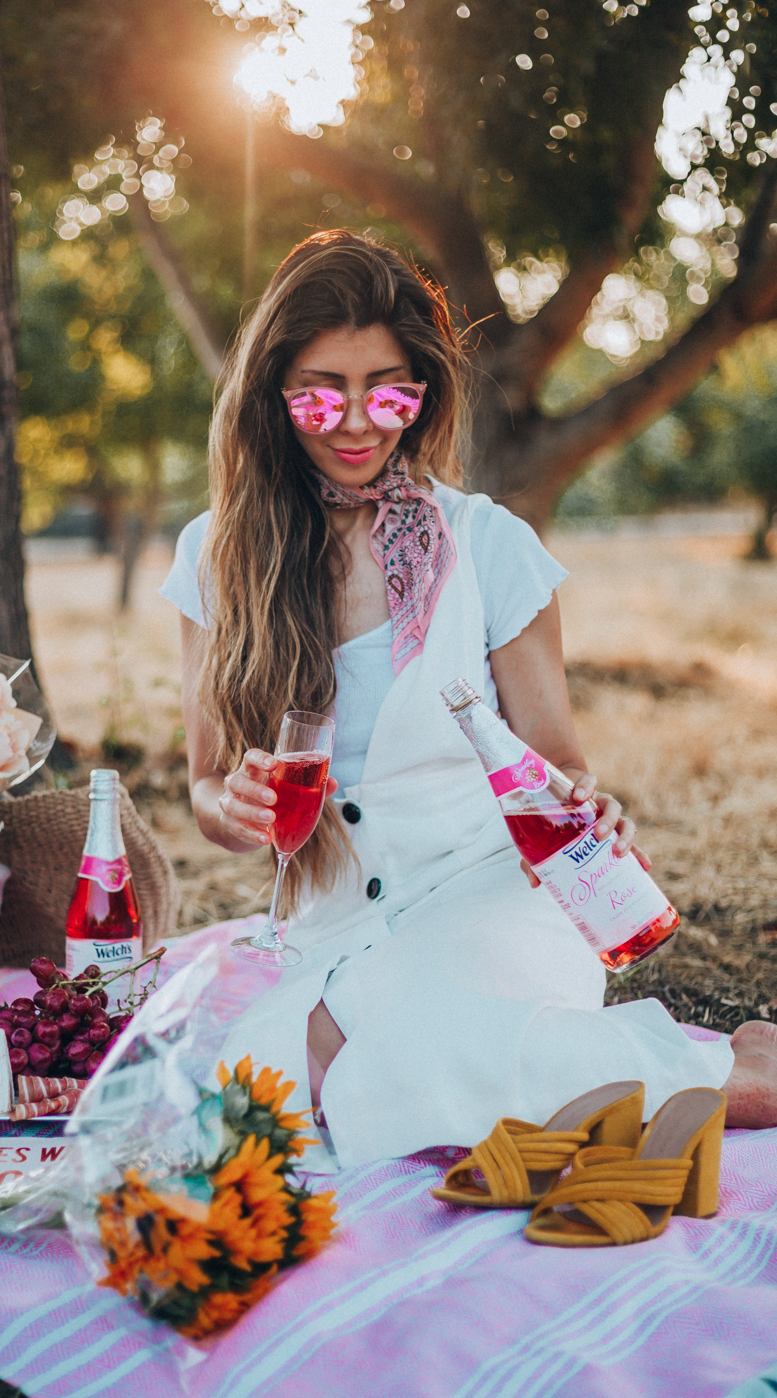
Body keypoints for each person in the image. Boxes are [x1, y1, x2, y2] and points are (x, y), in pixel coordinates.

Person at [161, 230, 777, 1171]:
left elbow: (559, 761)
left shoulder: (489, 544)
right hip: (334, 922)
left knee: (381, 1061)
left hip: (495, 894)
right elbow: (205, 789)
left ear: (425, 393)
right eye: (323, 391)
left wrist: (585, 800)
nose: (359, 421)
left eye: (391, 390)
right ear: (273, 394)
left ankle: (733, 1082)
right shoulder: (214, 558)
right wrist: (232, 807)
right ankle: (674, 1072)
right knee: (265, 1087)